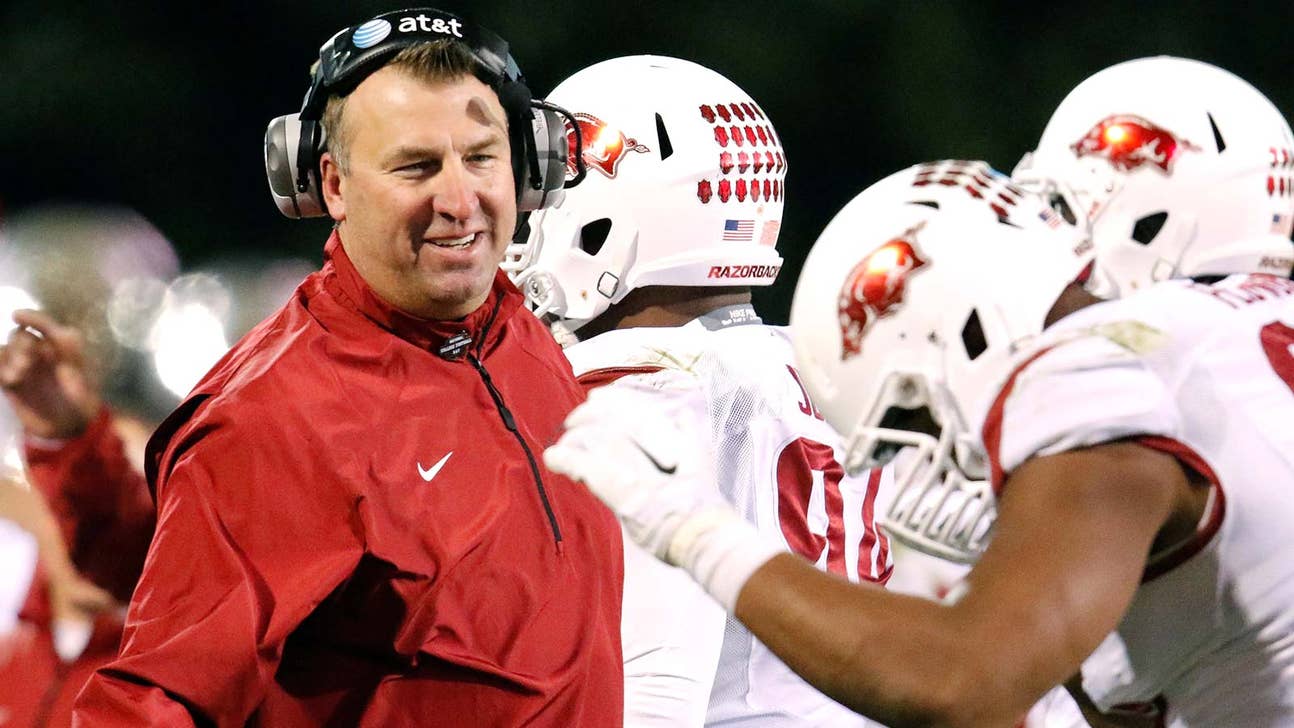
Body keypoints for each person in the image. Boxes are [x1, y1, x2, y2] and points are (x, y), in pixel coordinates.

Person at [545, 159, 1294, 725]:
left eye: (919, 415)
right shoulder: (1209, 317)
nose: (939, 451)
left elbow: (962, 682)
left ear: (965, 329)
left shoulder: (1091, 380)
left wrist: (697, 532)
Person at [74, 8, 624, 726]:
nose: (461, 202)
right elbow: (156, 700)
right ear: (331, 185)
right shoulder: (272, 419)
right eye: (417, 166)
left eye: (481, 157)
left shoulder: (514, 327)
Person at [506, 56, 891, 727]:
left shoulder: (633, 392)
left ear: (608, 221)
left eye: (545, 188)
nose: (522, 212)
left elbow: (654, 687)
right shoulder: (811, 362)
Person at [1010, 55, 1294, 727]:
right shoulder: (1249, 335)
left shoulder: (1154, 353)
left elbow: (985, 677)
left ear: (1158, 216)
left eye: (1063, 206)